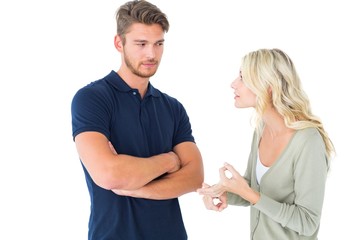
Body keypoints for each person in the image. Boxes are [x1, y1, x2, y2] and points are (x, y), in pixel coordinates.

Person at [71, 1, 204, 239]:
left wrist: (138, 188)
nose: (151, 54)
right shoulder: (92, 99)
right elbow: (109, 174)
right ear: (118, 43)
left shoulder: (173, 108)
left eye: (158, 44)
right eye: (141, 44)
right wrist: (169, 161)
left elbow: (194, 177)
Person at [197, 48, 335, 240]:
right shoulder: (262, 128)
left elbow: (308, 222)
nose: (233, 84)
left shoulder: (307, 141)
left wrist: (249, 194)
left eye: (243, 77)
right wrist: (226, 191)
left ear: (268, 86)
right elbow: (255, 190)